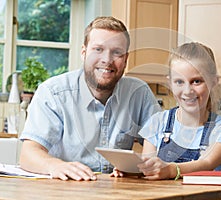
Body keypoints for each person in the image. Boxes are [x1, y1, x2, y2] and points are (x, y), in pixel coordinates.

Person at [19, 16, 161, 181]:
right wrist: (55, 166)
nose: (107, 60)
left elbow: (159, 148)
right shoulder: (53, 92)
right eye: (98, 49)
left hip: (118, 191)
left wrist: (144, 166)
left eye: (116, 52)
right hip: (64, 190)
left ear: (126, 59)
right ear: (84, 53)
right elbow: (28, 154)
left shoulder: (139, 93)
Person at [111, 42, 221, 180]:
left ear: (213, 82)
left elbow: (207, 163)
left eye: (196, 81)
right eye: (179, 82)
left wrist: (171, 170)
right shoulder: (157, 122)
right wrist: (132, 170)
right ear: (170, 83)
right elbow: (149, 168)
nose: (187, 91)